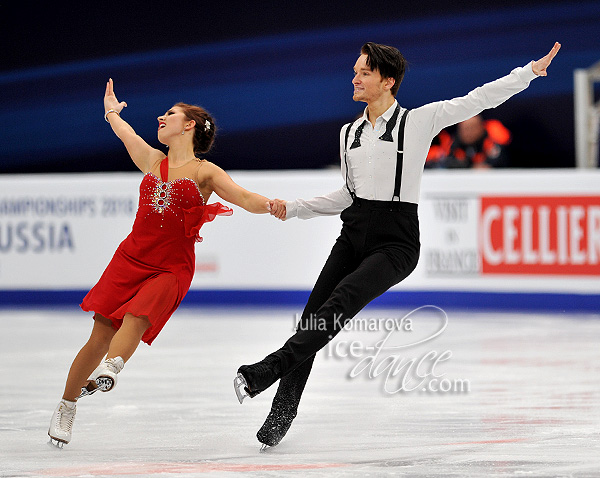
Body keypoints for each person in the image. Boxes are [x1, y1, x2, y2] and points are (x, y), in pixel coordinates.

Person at [234, 41, 561, 449]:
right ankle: (282, 412)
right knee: (313, 319)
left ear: (388, 81)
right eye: (355, 71)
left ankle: (268, 369)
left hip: (396, 241)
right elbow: (348, 195)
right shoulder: (348, 132)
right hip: (353, 234)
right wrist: (295, 208)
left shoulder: (419, 122)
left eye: (364, 73)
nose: (355, 78)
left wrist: (528, 72)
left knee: (340, 305)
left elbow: (478, 99)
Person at [48, 79, 272, 447]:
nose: (160, 116)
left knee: (139, 315)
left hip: (172, 267)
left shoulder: (205, 172)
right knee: (99, 336)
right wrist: (110, 111)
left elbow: (245, 197)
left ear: (190, 126)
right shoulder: (153, 160)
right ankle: (67, 406)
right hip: (131, 257)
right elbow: (125, 133)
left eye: (170, 113)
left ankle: (113, 367)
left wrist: (277, 206)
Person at [438, 114, 512, 168]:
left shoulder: (491, 140)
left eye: (472, 128)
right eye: (465, 129)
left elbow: (500, 160)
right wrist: (471, 167)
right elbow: (447, 163)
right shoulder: (453, 144)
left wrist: (487, 165)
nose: (468, 133)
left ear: (481, 127)